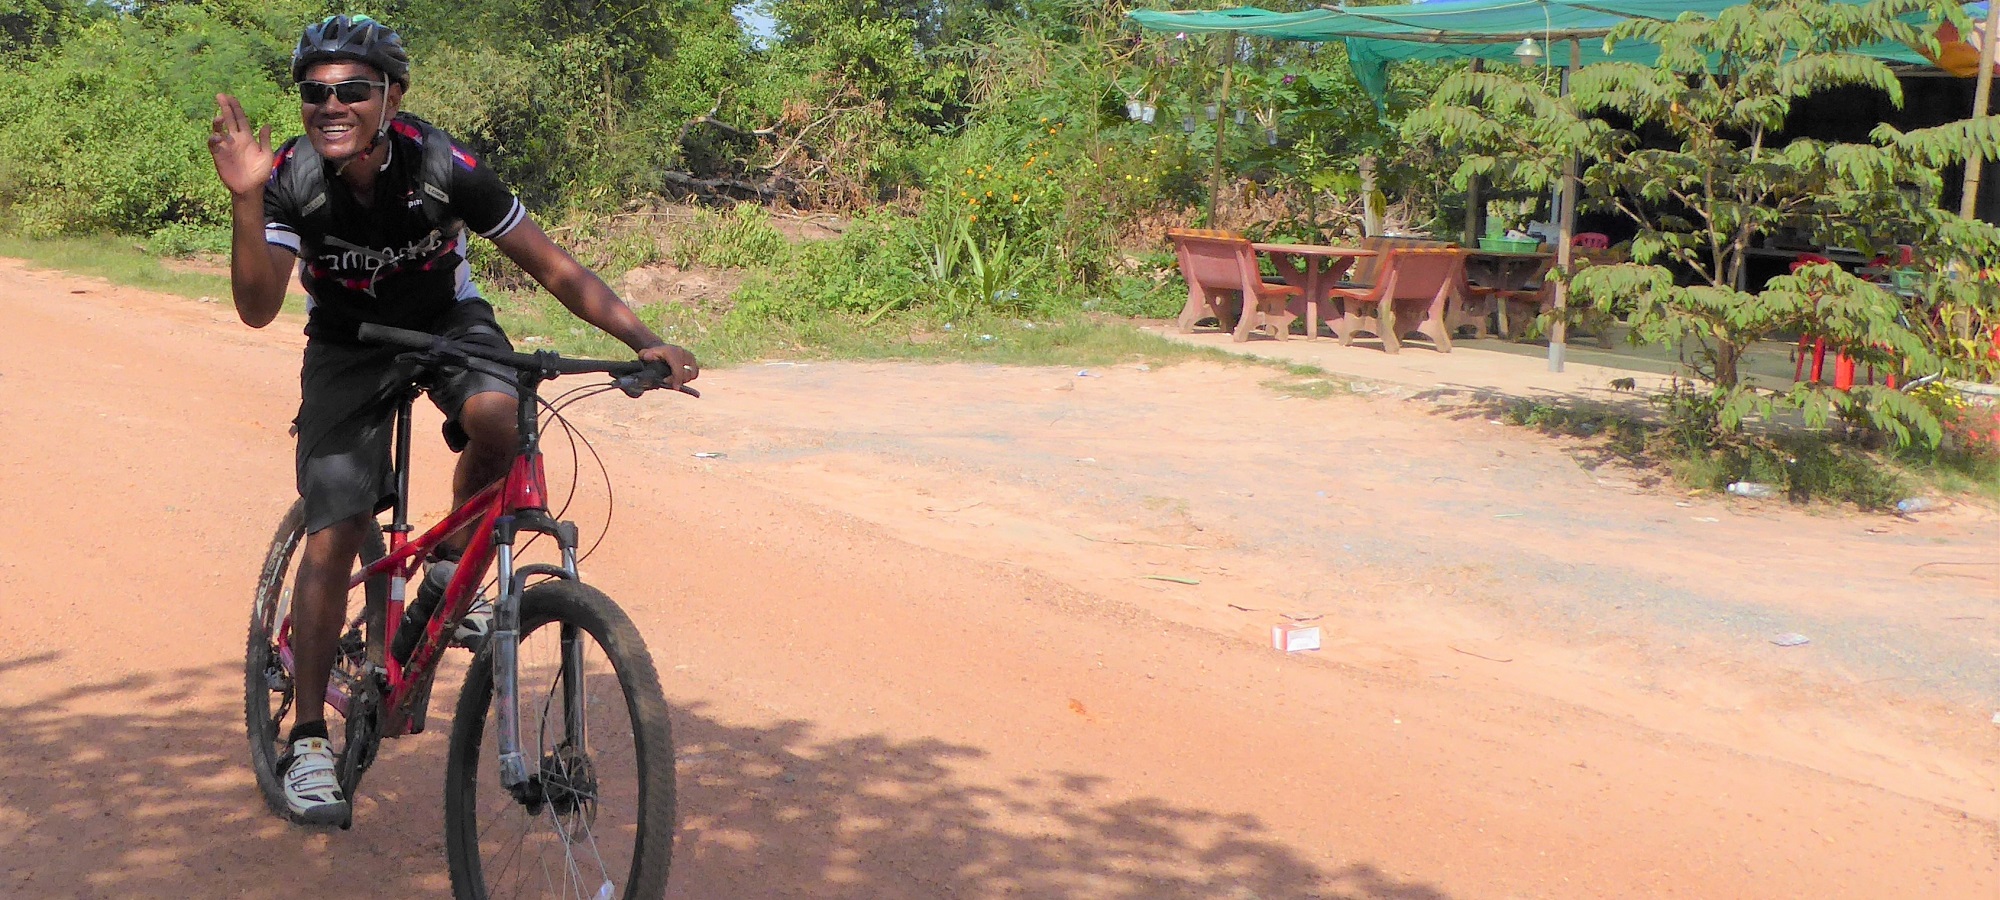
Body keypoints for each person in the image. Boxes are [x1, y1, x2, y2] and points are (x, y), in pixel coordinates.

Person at [207, 14, 697, 826]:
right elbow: (258, 308)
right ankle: (307, 738)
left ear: (391, 98)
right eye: (315, 92)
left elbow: (551, 265)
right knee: (340, 520)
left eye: (353, 90)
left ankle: (446, 573)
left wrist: (646, 340)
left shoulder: (442, 165)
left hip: (446, 321)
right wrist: (248, 201)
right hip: (349, 342)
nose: (332, 104)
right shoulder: (292, 176)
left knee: (503, 417)